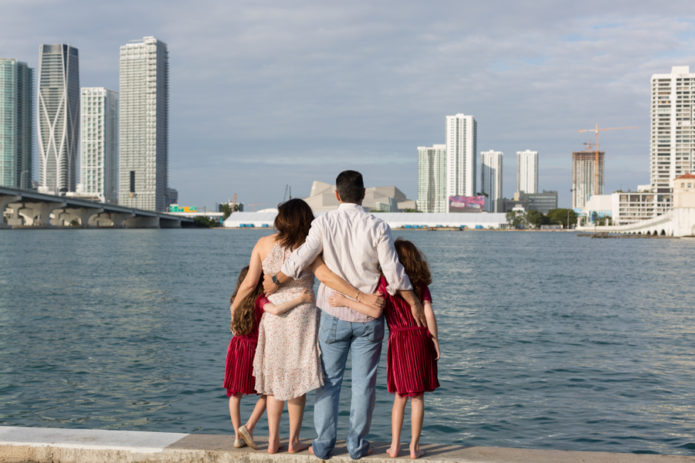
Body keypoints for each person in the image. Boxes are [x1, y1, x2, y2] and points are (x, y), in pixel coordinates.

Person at [264, 170, 427, 460]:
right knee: (363, 384)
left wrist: (275, 280)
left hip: (333, 313)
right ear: (363, 194)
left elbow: (301, 258)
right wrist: (413, 299)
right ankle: (357, 446)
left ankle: (324, 445)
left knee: (329, 382)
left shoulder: (324, 222)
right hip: (368, 318)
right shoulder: (378, 226)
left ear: (337, 195)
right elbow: (392, 271)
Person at [229, 198, 383, 454]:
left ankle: (271, 441)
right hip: (303, 315)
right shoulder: (307, 247)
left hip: (274, 318)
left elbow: (249, 284)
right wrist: (359, 296)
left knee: (276, 380)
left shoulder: (262, 244)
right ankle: (293, 442)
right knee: (297, 380)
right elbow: (324, 276)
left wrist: (234, 308)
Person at [329, 238, 440, 459]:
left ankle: (395, 446)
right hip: (419, 338)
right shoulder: (419, 285)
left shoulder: (385, 284)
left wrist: (345, 302)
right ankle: (414, 448)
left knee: (400, 397)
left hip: (398, 341)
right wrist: (434, 339)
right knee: (417, 398)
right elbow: (427, 312)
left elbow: (375, 311)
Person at [224, 266, 314, 450]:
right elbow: (276, 310)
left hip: (235, 348)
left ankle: (237, 436)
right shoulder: (260, 300)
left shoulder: (236, 301)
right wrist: (301, 299)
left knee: (234, 394)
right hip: (253, 350)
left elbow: (232, 327)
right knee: (268, 393)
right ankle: (249, 426)